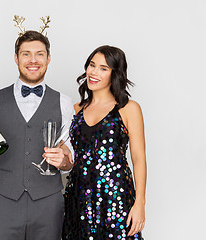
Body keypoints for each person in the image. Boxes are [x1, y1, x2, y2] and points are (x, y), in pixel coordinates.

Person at [0, 30, 74, 240]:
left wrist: (63, 161)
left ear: (48, 58)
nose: (33, 60)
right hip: (4, 202)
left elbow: (70, 160)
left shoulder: (64, 103)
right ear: (16, 58)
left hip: (48, 203)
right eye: (25, 54)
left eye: (39, 54)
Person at [62, 45, 147, 240]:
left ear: (114, 74)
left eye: (103, 68)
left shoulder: (128, 108)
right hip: (79, 198)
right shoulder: (75, 109)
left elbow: (138, 158)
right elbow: (67, 153)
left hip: (116, 198)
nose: (94, 72)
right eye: (92, 65)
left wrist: (140, 202)